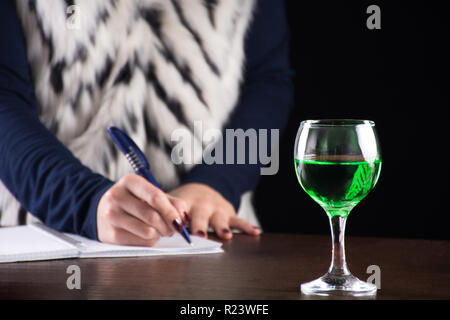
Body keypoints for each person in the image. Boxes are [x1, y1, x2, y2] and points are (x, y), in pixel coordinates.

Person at [0, 0, 293, 246]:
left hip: (209, 228)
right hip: (46, 235)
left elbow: (268, 83)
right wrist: (85, 203)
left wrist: (217, 182)